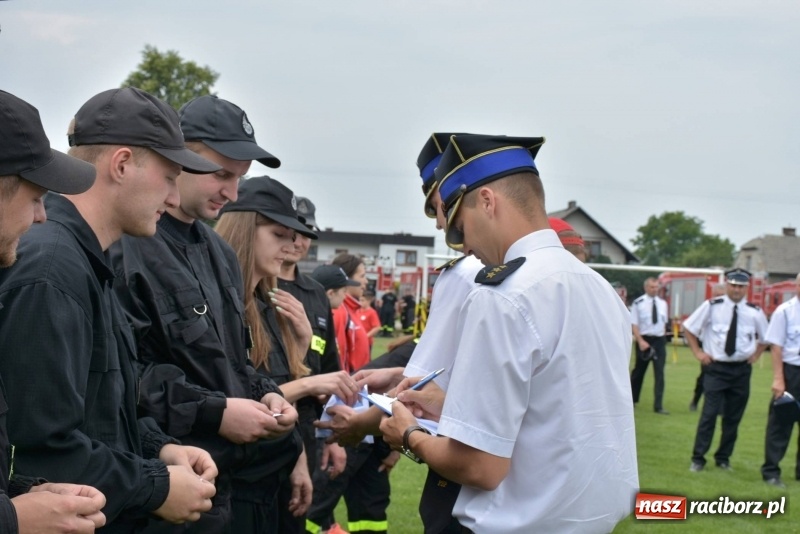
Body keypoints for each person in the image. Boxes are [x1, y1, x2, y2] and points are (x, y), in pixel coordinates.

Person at [378, 133, 638, 533]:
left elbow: (479, 467)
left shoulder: (503, 294)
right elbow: (557, 415)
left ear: (486, 201)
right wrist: (452, 406)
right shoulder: (600, 290)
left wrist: (408, 433)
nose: (463, 245)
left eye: (459, 227)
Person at [0, 87, 221, 533]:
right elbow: (43, 447)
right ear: (121, 164)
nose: (175, 199)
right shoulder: (52, 269)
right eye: (170, 177)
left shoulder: (84, 261)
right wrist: (157, 486)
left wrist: (159, 447)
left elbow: (101, 414)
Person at [109, 95, 298, 533]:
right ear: (180, 156)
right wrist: (216, 412)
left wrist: (267, 393)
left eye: (240, 179)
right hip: (161, 491)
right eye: (221, 174)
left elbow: (231, 359)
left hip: (223, 489)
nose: (232, 193)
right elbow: (123, 374)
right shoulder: (128, 246)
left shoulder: (217, 251)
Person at [216, 177, 362, 532]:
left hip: (282, 456)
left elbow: (282, 377)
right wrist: (309, 378)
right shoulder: (219, 303)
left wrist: (301, 345)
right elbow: (239, 395)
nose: (293, 244)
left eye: (296, 235)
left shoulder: (279, 300)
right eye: (279, 235)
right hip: (239, 477)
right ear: (245, 231)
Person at [0, 89, 108, 534]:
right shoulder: (48, 269)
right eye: (34, 197)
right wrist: (13, 518)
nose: (43, 216)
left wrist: (24, 496)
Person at [277, 196, 348, 513]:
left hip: (307, 424)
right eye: (291, 230)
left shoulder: (315, 293)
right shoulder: (255, 285)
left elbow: (330, 366)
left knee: (296, 514)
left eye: (305, 232)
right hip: (269, 416)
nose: (297, 240)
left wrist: (333, 437)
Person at [684, 268, 768, 472]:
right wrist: (698, 353)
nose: (736, 290)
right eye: (733, 285)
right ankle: (698, 458)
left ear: (746, 288)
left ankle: (723, 458)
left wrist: (756, 355)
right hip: (716, 368)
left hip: (741, 371)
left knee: (733, 418)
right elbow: (689, 327)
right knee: (709, 415)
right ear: (727, 285)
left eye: (741, 286)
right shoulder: (712, 306)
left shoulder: (754, 311)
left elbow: (766, 338)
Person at [760, 272, 800, 488]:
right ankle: (771, 471)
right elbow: (775, 346)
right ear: (796, 286)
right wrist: (779, 379)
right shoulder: (784, 312)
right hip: (791, 371)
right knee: (781, 424)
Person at [629, 277, 670, 414]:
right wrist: (640, 341)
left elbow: (663, 323)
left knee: (660, 373)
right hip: (644, 340)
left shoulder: (663, 303)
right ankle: (632, 400)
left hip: (659, 340)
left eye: (656, 287)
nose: (654, 289)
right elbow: (634, 324)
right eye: (652, 287)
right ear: (646, 287)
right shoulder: (638, 303)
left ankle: (658, 406)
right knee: (638, 372)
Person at [690, 282, 727, 411]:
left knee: (724, 382)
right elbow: (692, 327)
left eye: (722, 295)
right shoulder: (708, 307)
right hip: (708, 351)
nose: (719, 298)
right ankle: (695, 400)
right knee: (703, 379)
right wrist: (698, 351)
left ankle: (721, 408)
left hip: (724, 352)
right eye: (717, 295)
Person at [331, 253, 371, 373]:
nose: (366, 281)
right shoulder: (339, 311)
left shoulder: (351, 309)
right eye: (362, 276)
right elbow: (338, 361)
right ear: (346, 279)